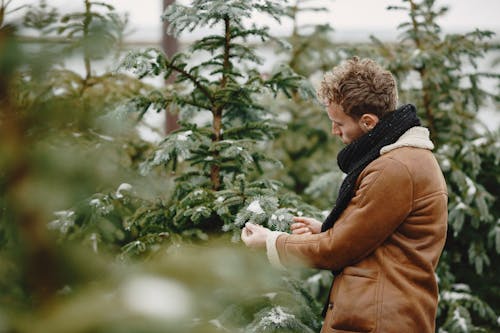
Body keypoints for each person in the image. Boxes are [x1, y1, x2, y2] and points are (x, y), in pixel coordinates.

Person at [241, 57, 448, 333]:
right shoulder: (401, 159)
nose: (334, 131)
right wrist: (326, 229)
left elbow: (338, 250)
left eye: (338, 122)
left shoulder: (394, 168)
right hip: (383, 315)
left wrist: (272, 241)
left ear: (368, 122)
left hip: (378, 322)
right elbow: (380, 239)